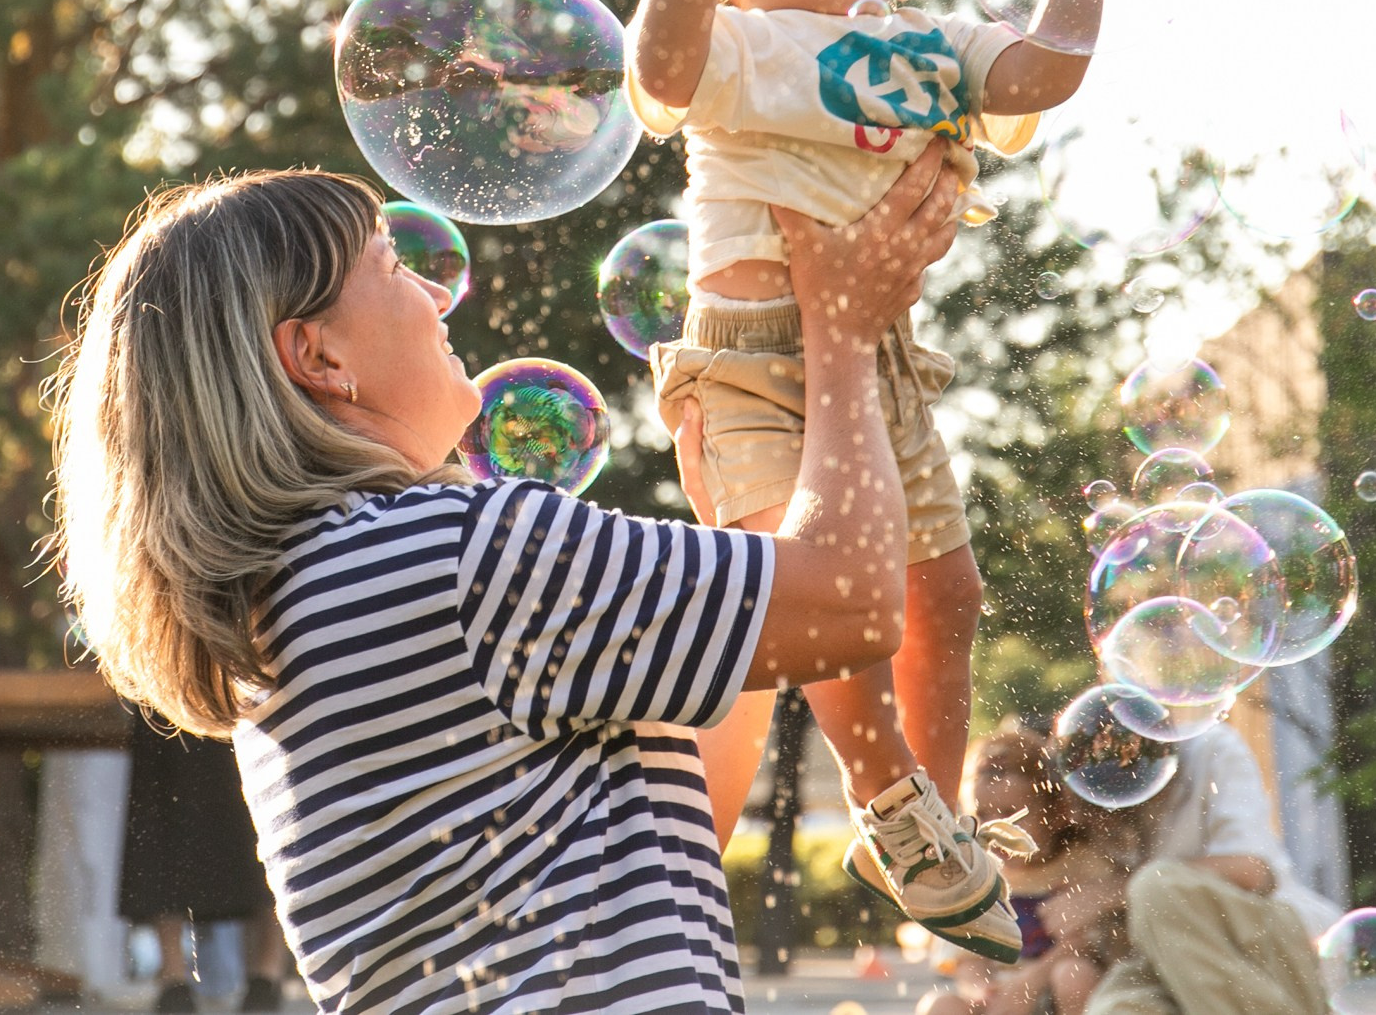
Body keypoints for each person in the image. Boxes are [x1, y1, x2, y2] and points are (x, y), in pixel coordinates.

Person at [50, 146, 963, 1011]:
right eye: (393, 268)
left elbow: (673, 824)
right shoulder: (451, 554)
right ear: (318, 357)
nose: (433, 296)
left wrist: (738, 539)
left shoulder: (306, 597)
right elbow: (854, 604)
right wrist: (843, 331)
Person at [629, 0, 1139, 957]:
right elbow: (655, 65)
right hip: (751, 363)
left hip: (883, 361)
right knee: (830, 594)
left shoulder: (937, 46)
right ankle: (884, 791)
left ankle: (930, 815)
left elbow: (1043, 70)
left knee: (945, 594)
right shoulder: (734, 39)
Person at [1083, 722, 1341, 1015]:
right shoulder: (1108, 814)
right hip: (1177, 964)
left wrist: (1112, 892)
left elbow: (1253, 871)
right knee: (1116, 1006)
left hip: (1271, 945)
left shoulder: (1211, 749)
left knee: (1155, 887)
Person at [916, 728, 1146, 1015]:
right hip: (1002, 994)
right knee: (940, 1005)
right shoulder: (973, 872)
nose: (996, 829)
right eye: (982, 814)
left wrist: (1028, 984)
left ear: (1057, 813)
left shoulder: (1081, 864)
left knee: (1074, 975)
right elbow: (967, 958)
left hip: (1055, 990)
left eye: (1012, 814)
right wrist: (982, 988)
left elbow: (1086, 944)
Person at [119, 710, 290, 1013]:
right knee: (163, 799)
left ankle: (267, 973)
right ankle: (173, 976)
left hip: (250, 695)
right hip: (170, 696)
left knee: (267, 796)